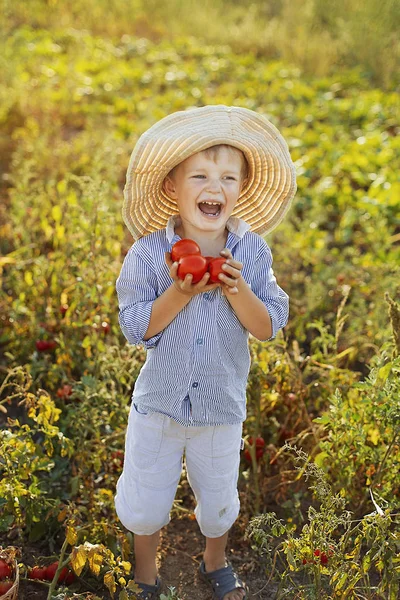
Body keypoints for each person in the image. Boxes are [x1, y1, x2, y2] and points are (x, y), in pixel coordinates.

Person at [114, 105, 296, 600]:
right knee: (148, 499)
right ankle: (146, 575)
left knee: (218, 499)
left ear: (240, 191)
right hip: (159, 405)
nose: (214, 185)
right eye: (200, 174)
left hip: (220, 407)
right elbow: (135, 326)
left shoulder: (252, 254)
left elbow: (268, 327)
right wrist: (179, 292)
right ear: (174, 186)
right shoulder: (149, 255)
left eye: (227, 177)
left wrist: (239, 292)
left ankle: (215, 560)